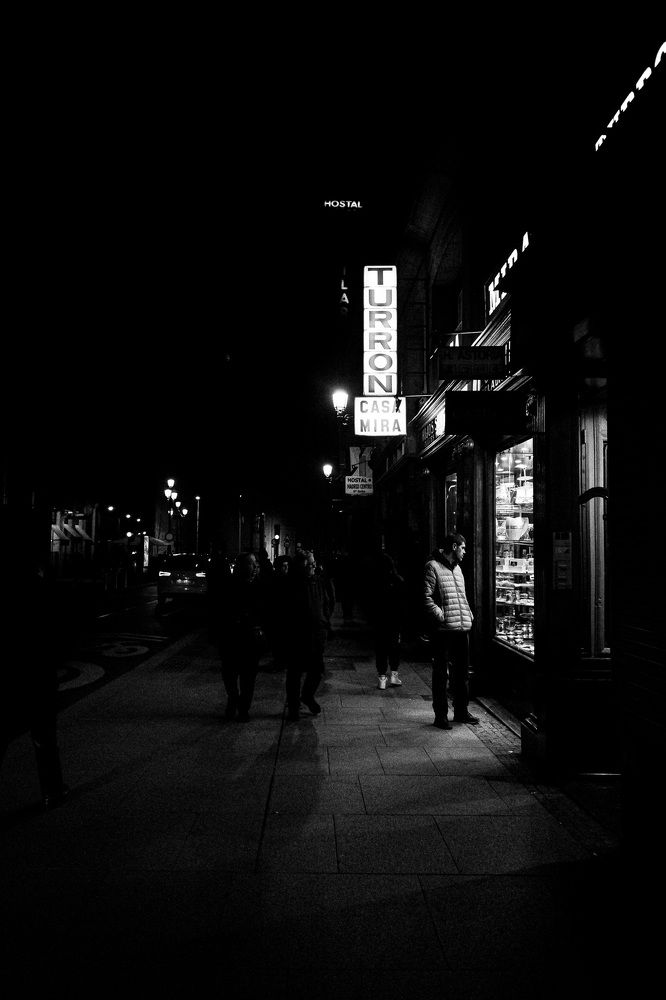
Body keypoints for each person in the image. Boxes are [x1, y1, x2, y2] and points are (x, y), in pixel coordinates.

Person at [0, 553, 70, 810]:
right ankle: (52, 791)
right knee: (44, 738)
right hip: (39, 676)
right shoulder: (44, 597)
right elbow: (58, 637)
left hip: (9, 677)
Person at [423, 533, 479, 729]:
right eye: (462, 548)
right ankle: (441, 716)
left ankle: (461, 711)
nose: (465, 551)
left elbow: (461, 596)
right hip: (444, 631)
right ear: (454, 547)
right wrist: (441, 616)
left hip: (462, 628)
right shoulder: (432, 566)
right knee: (441, 674)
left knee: (462, 673)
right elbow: (426, 597)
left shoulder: (458, 569)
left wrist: (468, 614)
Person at [214, 551, 268, 722]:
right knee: (230, 674)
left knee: (248, 677)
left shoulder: (260, 586)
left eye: (255, 563)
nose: (255, 566)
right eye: (251, 563)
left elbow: (266, 611)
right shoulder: (229, 585)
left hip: (251, 638)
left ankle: (243, 708)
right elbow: (219, 610)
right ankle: (233, 698)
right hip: (232, 637)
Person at [282, 548, 332, 721]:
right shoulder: (291, 584)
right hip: (298, 635)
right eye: (310, 564)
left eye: (314, 563)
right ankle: (294, 706)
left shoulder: (317, 582)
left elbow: (326, 603)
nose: (313, 566)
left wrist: (324, 623)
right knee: (295, 673)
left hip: (317, 634)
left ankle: (307, 695)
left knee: (316, 670)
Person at [369, 552, 406, 690]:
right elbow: (403, 605)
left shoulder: (375, 582)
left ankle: (382, 678)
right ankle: (394, 675)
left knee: (381, 649)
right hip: (395, 621)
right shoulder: (398, 581)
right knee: (395, 648)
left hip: (380, 621)